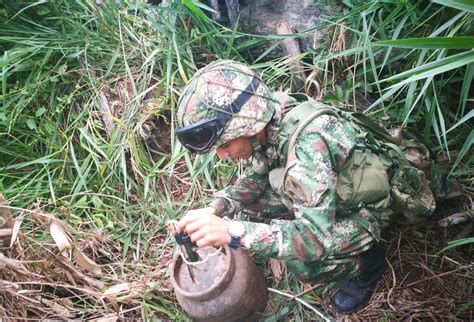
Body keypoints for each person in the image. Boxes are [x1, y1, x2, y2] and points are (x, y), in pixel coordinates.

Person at [174, 60, 461, 314]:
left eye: (224, 145)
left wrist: (233, 233)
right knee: (250, 207)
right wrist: (218, 207)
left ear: (247, 125)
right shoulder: (271, 114)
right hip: (333, 187)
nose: (222, 155)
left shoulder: (308, 148)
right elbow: (259, 174)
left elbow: (314, 238)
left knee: (303, 263)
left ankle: (368, 263)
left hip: (370, 208)